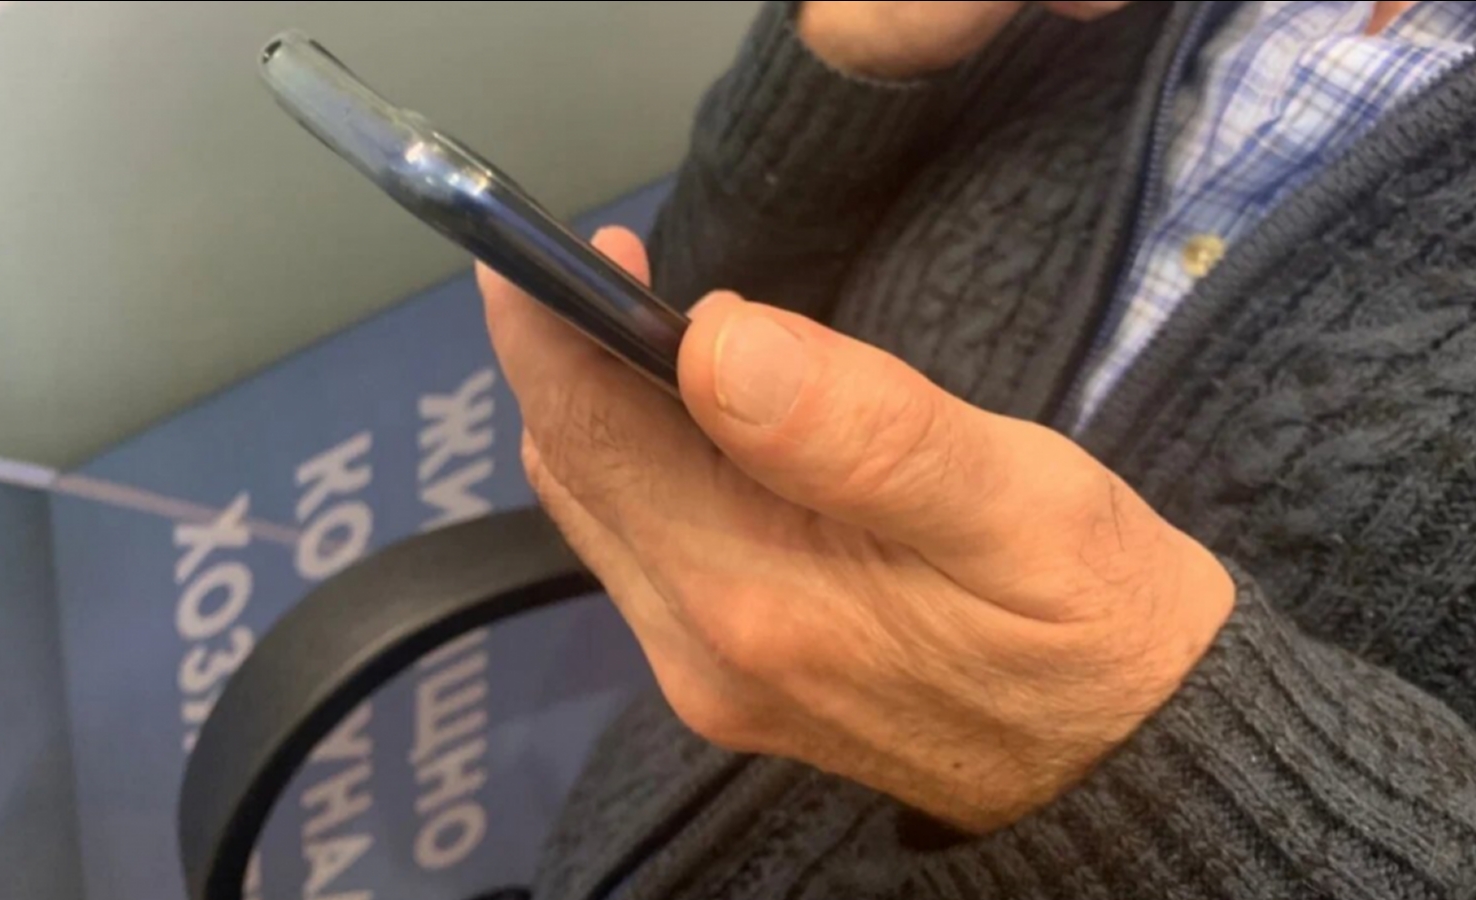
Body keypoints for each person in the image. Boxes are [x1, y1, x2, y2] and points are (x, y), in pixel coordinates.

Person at [475, 1, 1476, 896]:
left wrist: (1155, 754)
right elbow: (699, 289)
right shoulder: (1083, 21)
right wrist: (852, 55)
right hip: (622, 830)